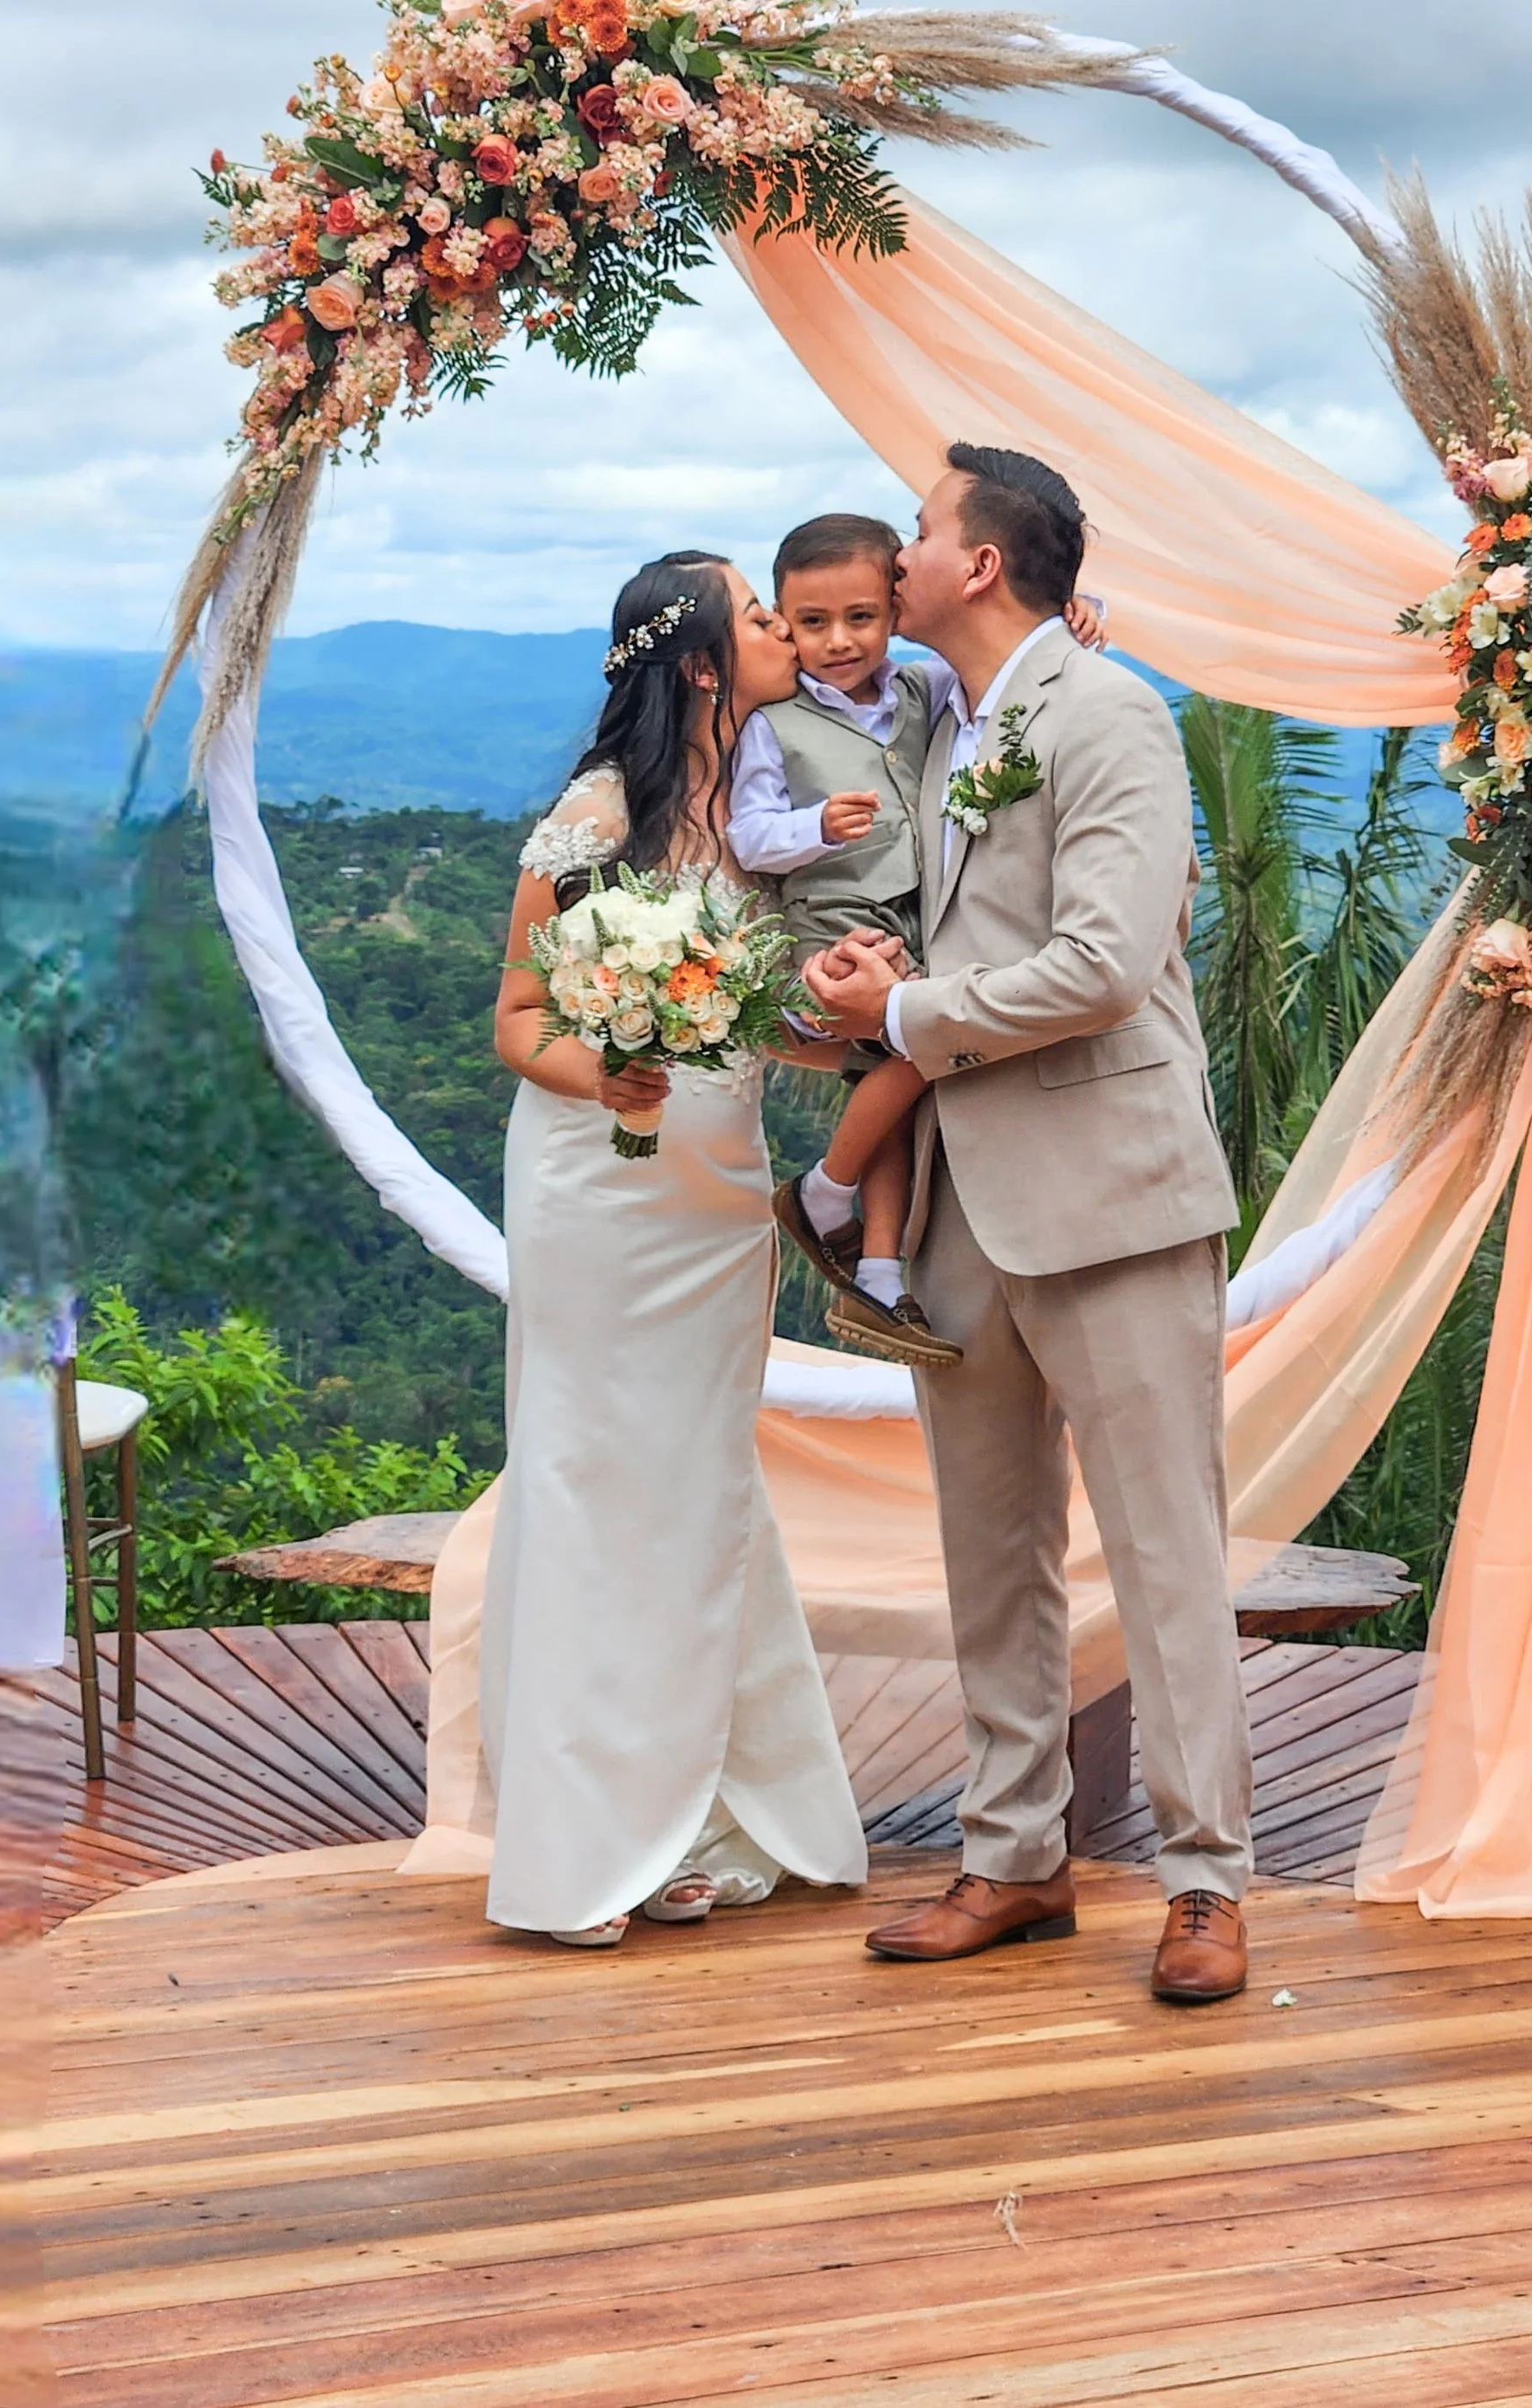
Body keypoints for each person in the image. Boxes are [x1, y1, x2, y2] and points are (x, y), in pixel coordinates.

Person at [803, 446, 1256, 2003]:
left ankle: (1207, 1884)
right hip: (960, 1206)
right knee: (989, 1553)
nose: (901, 552)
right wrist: (858, 986)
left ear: (982, 564)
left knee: (1164, 1552)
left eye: (920, 530)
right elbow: (963, 932)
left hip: (1114, 1193)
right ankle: (1015, 1861)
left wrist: (913, 1010)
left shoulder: (1110, 714)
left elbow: (1109, 963)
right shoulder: (952, 728)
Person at [485, 551, 868, 1948]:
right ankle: (588, 1840)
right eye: (759, 617)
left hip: (717, 1202)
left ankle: (701, 1811)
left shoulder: (752, 809)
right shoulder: (597, 819)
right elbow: (519, 1019)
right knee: (594, 1475)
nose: (784, 628)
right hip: (603, 1192)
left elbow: (753, 1013)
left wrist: (845, 1029)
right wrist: (609, 1076)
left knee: (697, 1486)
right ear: (703, 664)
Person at [729, 511, 1103, 1369]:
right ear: (786, 621)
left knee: (904, 1077)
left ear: (895, 610)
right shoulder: (775, 724)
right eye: (812, 624)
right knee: (914, 1055)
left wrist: (1076, 620)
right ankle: (825, 1191)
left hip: (916, 930)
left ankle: (881, 1268)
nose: (838, 641)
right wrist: (814, 826)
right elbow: (749, 837)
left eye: (860, 617)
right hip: (828, 935)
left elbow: (1005, 670)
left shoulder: (922, 690)